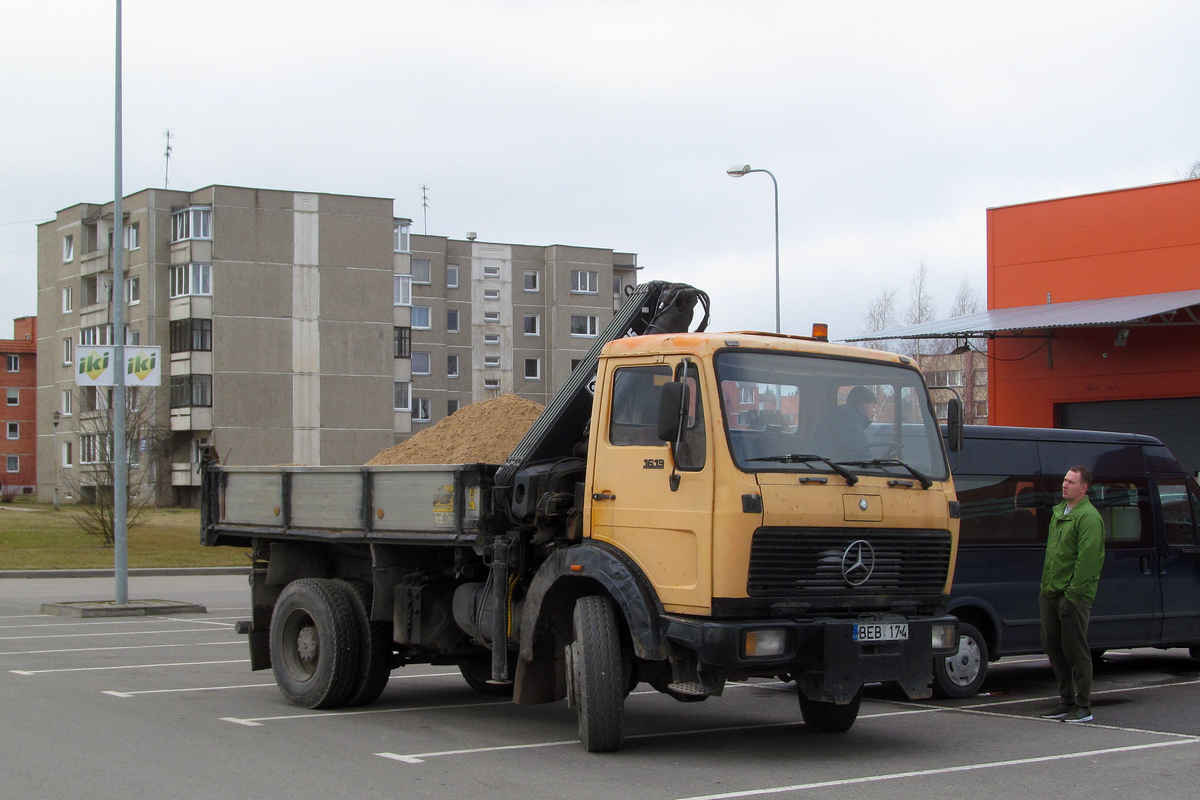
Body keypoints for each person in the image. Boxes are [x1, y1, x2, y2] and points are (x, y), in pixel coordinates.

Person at [1038, 465, 1106, 723]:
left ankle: (1083, 706)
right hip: (1051, 592)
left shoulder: (1088, 517)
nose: (1064, 485)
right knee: (1053, 645)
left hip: (1073, 596)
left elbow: (1088, 560)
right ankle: (1066, 701)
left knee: (1075, 649)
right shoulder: (1060, 513)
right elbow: (1054, 555)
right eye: (1064, 480)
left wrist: (1073, 595)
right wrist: (1045, 589)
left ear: (1084, 488)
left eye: (1071, 482)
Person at [809, 385, 877, 458]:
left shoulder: (842, 414)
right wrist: (873, 465)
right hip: (821, 465)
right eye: (873, 407)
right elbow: (861, 452)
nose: (873, 413)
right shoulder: (849, 418)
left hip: (821, 462)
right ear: (864, 404)